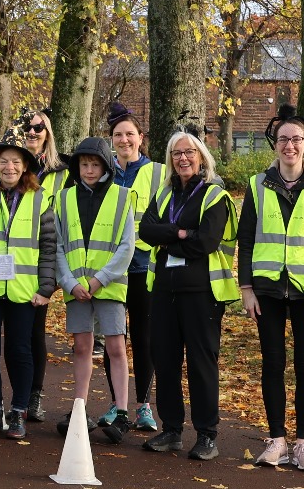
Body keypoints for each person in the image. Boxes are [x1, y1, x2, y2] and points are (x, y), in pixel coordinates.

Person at [239, 105, 304, 472]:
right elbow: (247, 240)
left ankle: (303, 443)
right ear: (276, 145)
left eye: (297, 139)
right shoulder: (256, 184)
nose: (290, 146)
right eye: (284, 139)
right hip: (266, 289)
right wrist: (246, 287)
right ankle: (277, 439)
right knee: (272, 363)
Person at [138, 129, 238, 461]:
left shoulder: (214, 195)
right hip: (164, 288)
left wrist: (170, 238)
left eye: (189, 152)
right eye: (177, 154)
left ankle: (207, 434)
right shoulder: (163, 193)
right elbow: (146, 231)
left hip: (201, 291)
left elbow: (205, 243)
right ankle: (171, 430)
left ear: (201, 157)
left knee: (201, 362)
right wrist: (180, 232)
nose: (183, 158)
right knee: (165, 360)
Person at [0, 118, 55, 440]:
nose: (9, 166)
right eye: (3, 161)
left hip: (24, 290)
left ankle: (18, 411)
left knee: (20, 351)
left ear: (25, 166)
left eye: (16, 161)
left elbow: (49, 247)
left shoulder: (40, 198)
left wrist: (46, 287)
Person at [54, 137, 136, 444]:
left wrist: (100, 279)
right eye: (84, 164)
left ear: (105, 166)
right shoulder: (63, 199)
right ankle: (79, 407)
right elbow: (59, 246)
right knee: (82, 348)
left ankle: (123, 412)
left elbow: (127, 246)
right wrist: (70, 283)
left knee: (115, 348)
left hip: (110, 285)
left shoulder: (123, 197)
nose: (89, 170)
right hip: (76, 288)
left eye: (95, 164)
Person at [107, 102, 164, 432]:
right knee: (115, 340)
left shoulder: (158, 171)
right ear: (111, 139)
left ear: (141, 138)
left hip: (145, 267)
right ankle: (118, 404)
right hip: (111, 270)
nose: (124, 139)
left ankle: (143, 405)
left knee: (144, 338)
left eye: (130, 134)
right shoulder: (103, 170)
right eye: (118, 135)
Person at [19, 109, 69, 421]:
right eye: (26, 127)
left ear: (48, 132)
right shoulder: (11, 166)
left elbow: (66, 217)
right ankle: (16, 397)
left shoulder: (62, 172)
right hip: (11, 260)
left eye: (39, 127)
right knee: (13, 333)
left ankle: (34, 396)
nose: (32, 132)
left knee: (35, 331)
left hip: (43, 260)